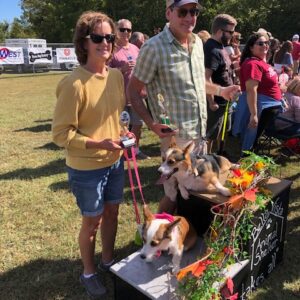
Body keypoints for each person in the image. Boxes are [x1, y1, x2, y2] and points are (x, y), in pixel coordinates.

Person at [127, 0, 240, 213]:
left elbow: (198, 82)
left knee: (197, 189)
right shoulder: (153, 48)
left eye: (194, 11)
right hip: (175, 137)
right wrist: (151, 124)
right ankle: (154, 236)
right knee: (173, 193)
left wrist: (220, 91)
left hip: (199, 132)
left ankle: (185, 236)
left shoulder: (197, 42)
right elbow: (133, 90)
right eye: (183, 12)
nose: (190, 17)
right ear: (169, 13)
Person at [52, 11, 126, 298]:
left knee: (112, 213)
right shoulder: (73, 84)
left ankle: (108, 261)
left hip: (115, 161)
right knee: (92, 221)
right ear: (83, 43)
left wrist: (123, 133)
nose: (105, 42)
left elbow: (116, 117)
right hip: (86, 168)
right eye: (98, 37)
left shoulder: (116, 76)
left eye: (109, 37)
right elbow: (61, 135)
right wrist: (99, 144)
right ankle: (89, 272)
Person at [232, 32, 283, 154]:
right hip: (261, 107)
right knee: (251, 139)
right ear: (251, 47)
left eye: (267, 43)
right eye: (260, 43)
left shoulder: (259, 62)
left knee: (254, 139)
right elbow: (251, 90)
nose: (265, 45)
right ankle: (246, 165)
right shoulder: (253, 64)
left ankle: (248, 162)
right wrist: (254, 114)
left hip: (268, 106)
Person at [110, 19, 150, 160]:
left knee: (138, 125)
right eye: (122, 29)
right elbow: (104, 72)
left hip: (137, 95)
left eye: (128, 30)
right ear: (116, 31)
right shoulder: (111, 49)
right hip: (120, 97)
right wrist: (121, 69)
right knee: (123, 127)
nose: (126, 32)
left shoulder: (135, 48)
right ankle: (126, 152)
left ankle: (135, 150)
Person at [204, 14, 237, 153]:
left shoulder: (221, 47)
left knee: (221, 131)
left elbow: (222, 68)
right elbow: (206, 77)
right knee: (210, 134)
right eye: (230, 32)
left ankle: (219, 153)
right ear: (219, 31)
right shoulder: (211, 49)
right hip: (216, 101)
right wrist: (211, 101)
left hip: (225, 100)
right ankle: (206, 159)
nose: (232, 35)